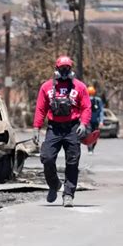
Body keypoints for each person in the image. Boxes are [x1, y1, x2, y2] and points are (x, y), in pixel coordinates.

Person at [33, 56, 91, 207]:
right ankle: (54, 184)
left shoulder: (80, 87)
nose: (65, 71)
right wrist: (36, 128)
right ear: (56, 69)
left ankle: (68, 194)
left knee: (72, 161)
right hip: (54, 128)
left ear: (71, 70)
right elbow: (40, 109)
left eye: (67, 68)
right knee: (47, 158)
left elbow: (86, 107)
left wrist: (84, 124)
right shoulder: (46, 87)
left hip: (72, 128)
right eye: (62, 68)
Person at [87, 86, 104, 154]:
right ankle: (90, 149)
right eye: (89, 94)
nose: (90, 97)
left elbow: (101, 111)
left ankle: (92, 147)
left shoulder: (98, 100)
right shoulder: (86, 99)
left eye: (92, 94)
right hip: (88, 121)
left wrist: (101, 121)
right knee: (89, 135)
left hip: (96, 121)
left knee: (95, 136)